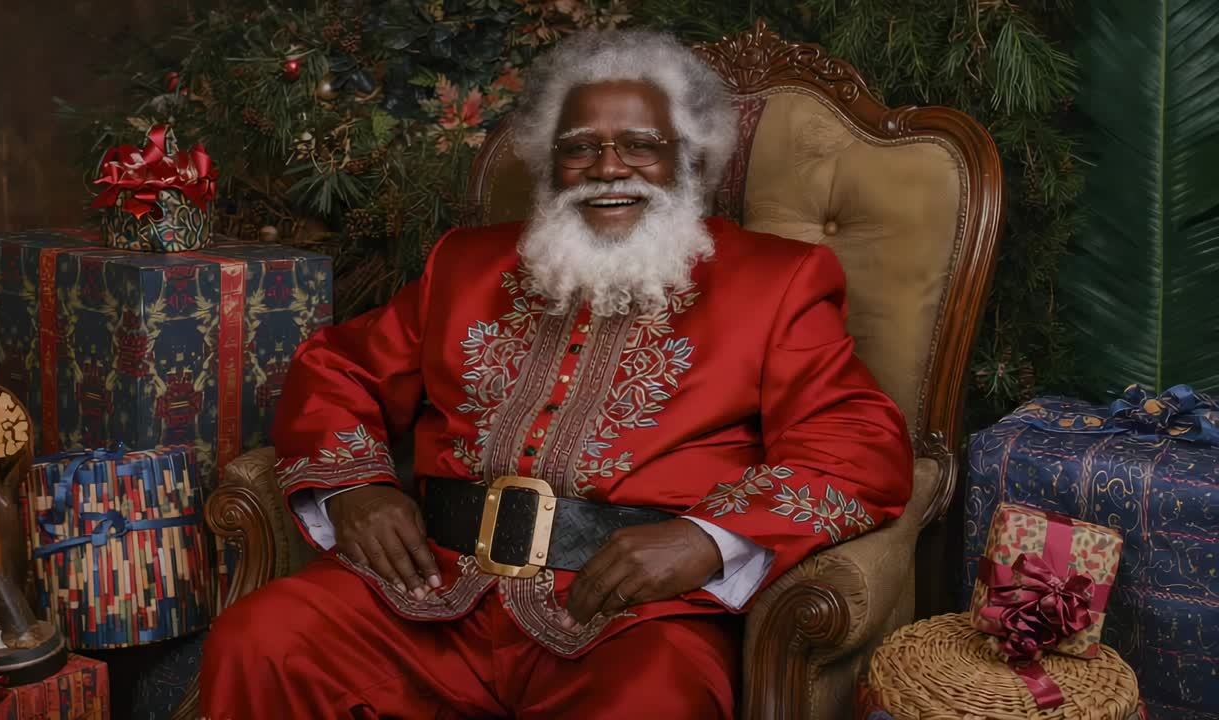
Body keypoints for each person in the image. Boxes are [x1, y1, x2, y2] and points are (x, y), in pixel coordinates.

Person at [200, 28, 913, 720]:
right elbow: (339, 369)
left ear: (690, 158)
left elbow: (857, 446)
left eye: (640, 145)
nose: (607, 168)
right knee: (263, 642)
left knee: (653, 702)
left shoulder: (777, 282)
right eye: (580, 148)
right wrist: (357, 488)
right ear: (552, 163)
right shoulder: (465, 263)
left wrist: (705, 540)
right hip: (426, 591)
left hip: (631, 619)